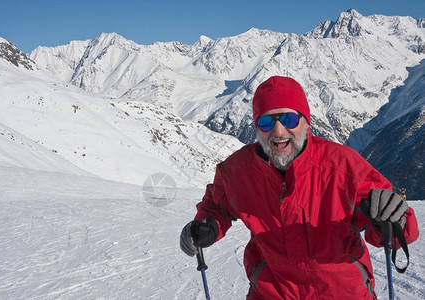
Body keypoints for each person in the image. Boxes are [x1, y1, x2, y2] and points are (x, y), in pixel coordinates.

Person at [179, 76, 419, 299]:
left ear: (306, 121)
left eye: (288, 119)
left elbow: (399, 229)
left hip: (343, 293)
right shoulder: (237, 172)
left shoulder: (343, 167)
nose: (278, 131)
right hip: (271, 293)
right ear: (255, 127)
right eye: (266, 122)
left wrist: (389, 220)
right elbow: (216, 206)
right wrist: (206, 226)